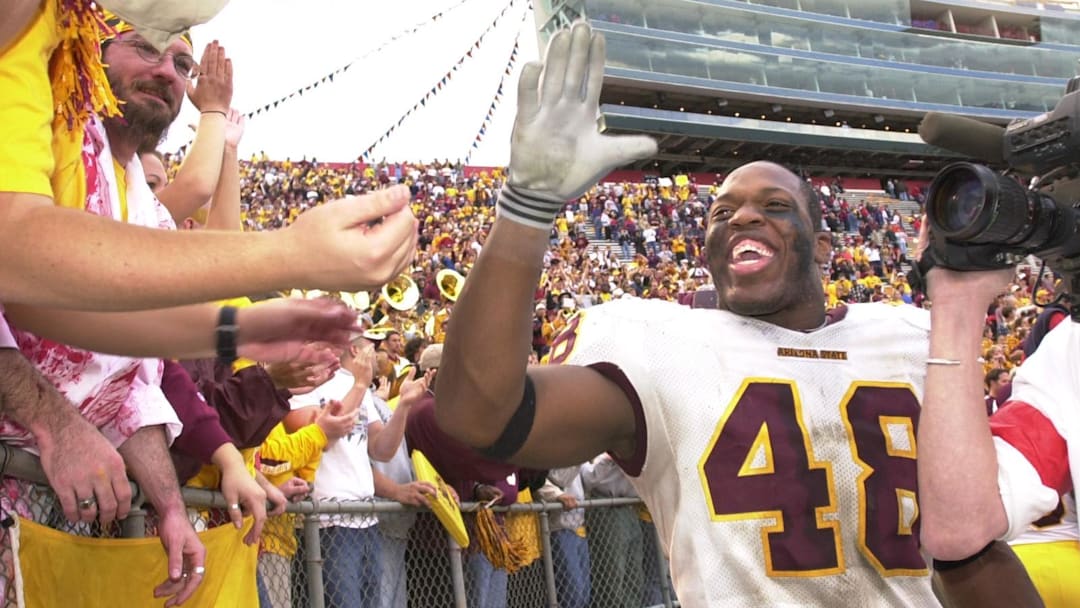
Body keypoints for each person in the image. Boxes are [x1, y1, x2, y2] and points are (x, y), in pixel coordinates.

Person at [435, 22, 1040, 607]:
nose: (743, 217)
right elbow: (478, 414)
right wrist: (526, 207)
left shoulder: (911, 337)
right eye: (721, 213)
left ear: (824, 247)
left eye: (774, 206)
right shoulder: (659, 343)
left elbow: (971, 555)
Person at [0, 0, 417, 312]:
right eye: (146, 47)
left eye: (183, 64)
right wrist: (291, 255)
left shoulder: (134, 187)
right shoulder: (65, 128)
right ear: (94, 51)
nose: (167, 71)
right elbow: (18, 253)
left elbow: (126, 318)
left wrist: (251, 333)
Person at [917, 261, 1080, 607]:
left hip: (1032, 553)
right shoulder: (1068, 345)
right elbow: (960, 527)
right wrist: (958, 300)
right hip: (1062, 558)